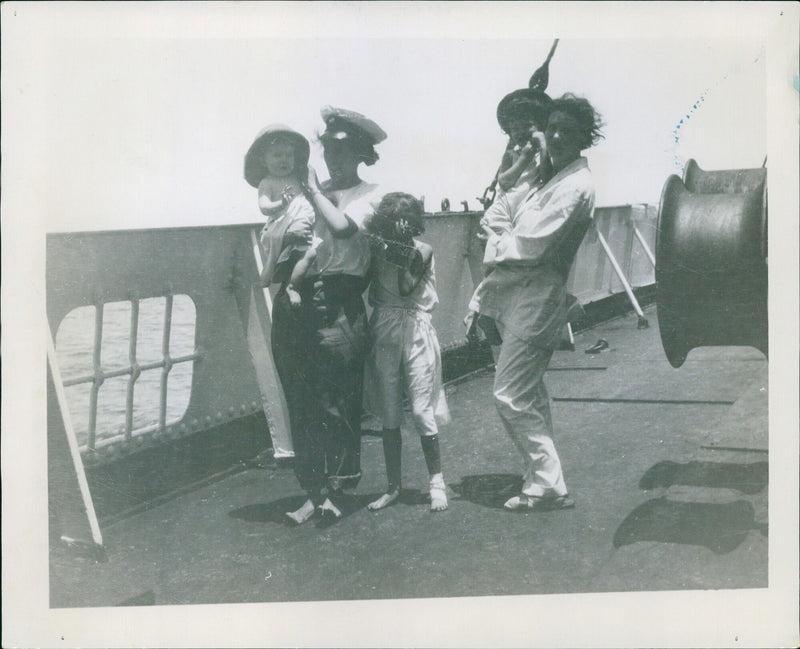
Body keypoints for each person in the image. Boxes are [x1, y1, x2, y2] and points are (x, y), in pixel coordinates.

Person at [467, 93, 603, 511]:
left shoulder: (575, 185)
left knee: (509, 393)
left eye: (568, 130)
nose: (558, 135)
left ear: (584, 138)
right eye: (553, 127)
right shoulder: (548, 177)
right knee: (530, 392)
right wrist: (499, 231)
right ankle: (541, 478)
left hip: (538, 298)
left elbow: (531, 245)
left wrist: (496, 241)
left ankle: (547, 481)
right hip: (516, 295)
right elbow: (500, 213)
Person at [283, 106, 388, 525]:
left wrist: (312, 193)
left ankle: (340, 489)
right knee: (305, 401)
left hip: (342, 303)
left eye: (343, 150)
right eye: (327, 149)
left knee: (339, 403)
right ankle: (313, 489)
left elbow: (344, 229)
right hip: (302, 301)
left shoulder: (372, 194)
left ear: (361, 153)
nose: (333, 158)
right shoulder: (314, 191)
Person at [362, 193, 450, 512]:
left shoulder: (422, 250)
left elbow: (406, 286)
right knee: (388, 413)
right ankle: (393, 487)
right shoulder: (375, 248)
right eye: (394, 221)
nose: (401, 228)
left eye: (406, 221)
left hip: (416, 329)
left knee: (421, 409)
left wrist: (398, 250)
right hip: (384, 327)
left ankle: (437, 483)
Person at [244, 124, 317, 306]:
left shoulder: (297, 178)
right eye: (277, 155)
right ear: (263, 160)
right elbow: (264, 206)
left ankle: (291, 283)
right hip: (283, 223)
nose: (284, 160)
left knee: (308, 255)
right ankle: (291, 286)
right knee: (306, 252)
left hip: (302, 222)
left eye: (288, 155)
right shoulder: (267, 182)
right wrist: (281, 203)